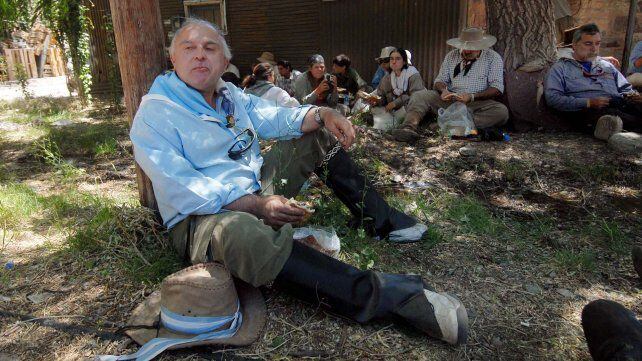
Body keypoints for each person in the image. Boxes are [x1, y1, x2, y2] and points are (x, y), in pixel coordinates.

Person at [129, 18, 468, 346]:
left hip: (254, 192)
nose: (199, 54)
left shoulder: (230, 94)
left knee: (314, 133)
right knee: (241, 233)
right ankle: (390, 296)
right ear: (173, 58)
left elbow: (278, 118)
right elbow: (188, 190)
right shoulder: (157, 112)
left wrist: (323, 113)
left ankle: (382, 220)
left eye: (209, 47)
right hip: (202, 219)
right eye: (188, 47)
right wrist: (257, 206)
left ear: (225, 60)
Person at [545, 23, 642, 133]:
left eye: (597, 44)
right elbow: (552, 98)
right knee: (611, 117)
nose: (594, 48)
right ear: (574, 45)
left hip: (619, 104)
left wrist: (634, 96)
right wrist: (588, 102)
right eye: (588, 44)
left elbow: (625, 88)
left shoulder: (607, 66)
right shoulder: (560, 68)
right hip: (588, 111)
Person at [426, 28, 509, 133]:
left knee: (502, 112)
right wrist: (443, 91)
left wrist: (472, 96)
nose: (467, 51)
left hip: (477, 104)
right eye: (464, 47)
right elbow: (439, 80)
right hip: (450, 101)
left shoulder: (493, 58)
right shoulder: (451, 56)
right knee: (422, 96)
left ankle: (448, 125)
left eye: (472, 48)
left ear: (480, 47)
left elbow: (497, 88)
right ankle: (408, 127)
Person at [366, 47, 431, 142]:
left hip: (411, 109)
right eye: (381, 61)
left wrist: (396, 103)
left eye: (385, 61)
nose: (383, 64)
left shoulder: (412, 75)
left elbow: (416, 97)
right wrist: (376, 101)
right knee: (375, 110)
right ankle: (391, 126)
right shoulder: (387, 78)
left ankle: (406, 129)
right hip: (394, 111)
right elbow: (382, 97)